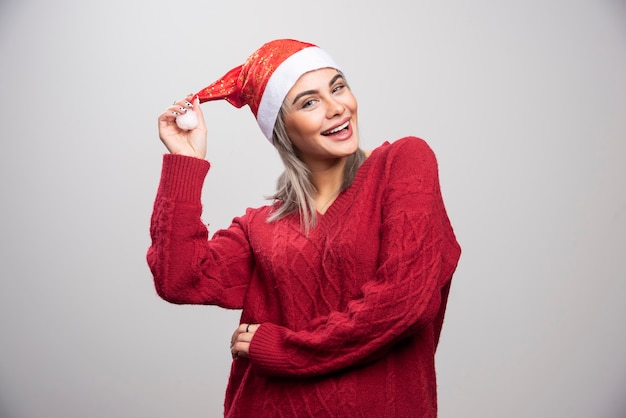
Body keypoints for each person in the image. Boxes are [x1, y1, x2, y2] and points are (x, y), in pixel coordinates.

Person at [148, 38, 461, 418]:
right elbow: (179, 278)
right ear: (282, 129)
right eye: (309, 102)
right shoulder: (258, 227)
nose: (336, 108)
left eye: (338, 87)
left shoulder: (403, 163)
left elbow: (406, 301)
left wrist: (290, 350)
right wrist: (185, 161)